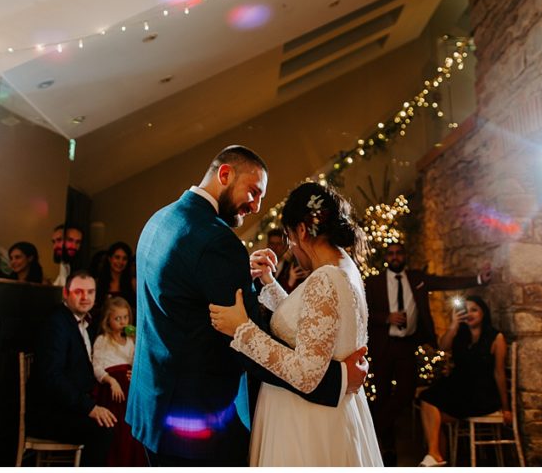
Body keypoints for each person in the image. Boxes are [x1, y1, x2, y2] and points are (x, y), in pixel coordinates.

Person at [126, 145, 368, 466]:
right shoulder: (218, 242)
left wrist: (248, 278)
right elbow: (245, 341)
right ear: (225, 174)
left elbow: (186, 299)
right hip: (198, 423)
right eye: (253, 192)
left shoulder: (161, 219)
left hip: (153, 407)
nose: (255, 206)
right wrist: (336, 382)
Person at [210, 181, 383, 466]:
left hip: (305, 421)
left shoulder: (324, 279)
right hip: (330, 413)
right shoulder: (345, 267)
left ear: (301, 230)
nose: (291, 247)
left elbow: (306, 374)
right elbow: (311, 324)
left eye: (289, 237)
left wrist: (242, 329)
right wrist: (269, 283)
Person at [366, 241, 491, 465]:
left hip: (407, 345)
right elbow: (364, 312)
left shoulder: (417, 279)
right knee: (382, 396)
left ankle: (372, 429)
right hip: (383, 345)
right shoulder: (374, 282)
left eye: (398, 253)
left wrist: (479, 279)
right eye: (391, 254)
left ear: (404, 256)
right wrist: (386, 317)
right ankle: (387, 450)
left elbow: (446, 282)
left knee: (406, 393)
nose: (395, 257)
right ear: (386, 257)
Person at [26, 271, 115, 466]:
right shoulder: (56, 324)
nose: (85, 298)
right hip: (50, 414)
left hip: (68, 406)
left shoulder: (84, 323)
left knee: (115, 415)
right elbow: (51, 377)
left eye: (90, 292)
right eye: (78, 292)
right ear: (66, 293)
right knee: (103, 429)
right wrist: (89, 407)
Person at [417, 296, 509, 467]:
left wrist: (506, 408)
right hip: (460, 389)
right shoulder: (461, 334)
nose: (470, 314)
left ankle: (435, 456)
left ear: (483, 312)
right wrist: (453, 325)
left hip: (482, 394)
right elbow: (442, 347)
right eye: (466, 310)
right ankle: (434, 455)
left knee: (431, 407)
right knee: (429, 404)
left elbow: (499, 373)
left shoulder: (496, 337)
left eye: (474, 309)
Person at [91, 296, 147, 466]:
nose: (123, 322)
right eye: (117, 318)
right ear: (108, 320)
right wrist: (111, 381)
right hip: (111, 390)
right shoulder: (103, 340)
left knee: (134, 425)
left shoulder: (130, 341)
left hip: (129, 390)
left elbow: (137, 362)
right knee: (118, 429)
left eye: (125, 318)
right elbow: (97, 367)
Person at [265, 227, 308, 293]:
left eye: (278, 244)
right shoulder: (261, 269)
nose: (275, 247)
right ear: (267, 245)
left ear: (284, 246)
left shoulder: (292, 268)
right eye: (272, 244)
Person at [50, 224, 84, 288]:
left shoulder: (82, 273)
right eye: (70, 240)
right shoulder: (63, 266)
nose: (74, 246)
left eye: (78, 242)